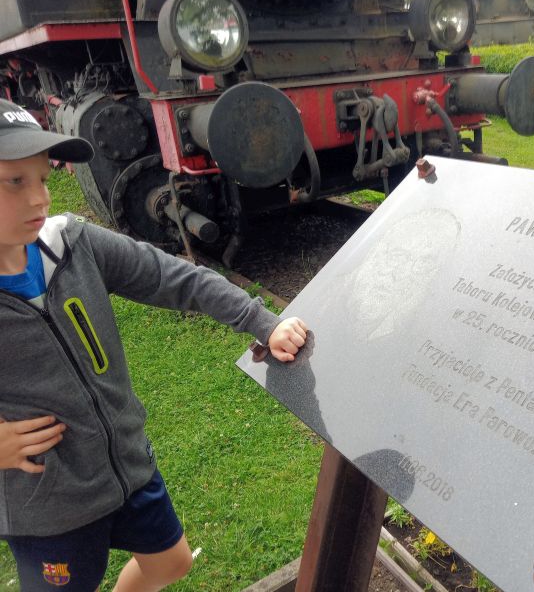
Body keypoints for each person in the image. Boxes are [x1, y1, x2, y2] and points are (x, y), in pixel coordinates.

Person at [0, 98, 308, 591]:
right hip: (50, 508)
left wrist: (259, 320)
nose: (39, 198)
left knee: (171, 563)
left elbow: (171, 277)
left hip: (127, 468)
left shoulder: (72, 244)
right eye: (15, 182)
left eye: (41, 178)